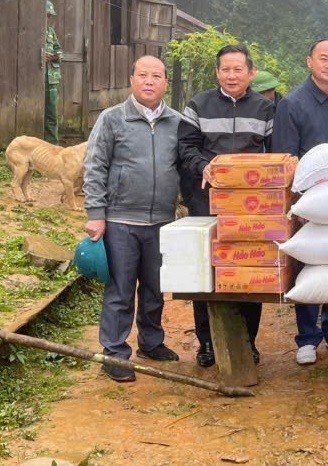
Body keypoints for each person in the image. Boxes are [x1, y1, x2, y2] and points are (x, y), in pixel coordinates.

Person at [83, 56, 182, 382]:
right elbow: (95, 166)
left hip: (163, 221)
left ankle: (151, 343)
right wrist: (96, 214)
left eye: (156, 76)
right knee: (120, 290)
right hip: (121, 221)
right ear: (132, 79)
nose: (149, 81)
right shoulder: (112, 118)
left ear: (166, 82)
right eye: (143, 75)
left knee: (155, 289)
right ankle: (114, 353)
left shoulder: (177, 122)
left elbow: (184, 166)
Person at [178, 44, 273, 368]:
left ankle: (248, 341)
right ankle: (207, 342)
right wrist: (203, 166)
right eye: (225, 70)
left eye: (238, 69)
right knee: (207, 268)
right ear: (217, 72)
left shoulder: (264, 108)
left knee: (249, 267)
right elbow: (185, 147)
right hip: (206, 197)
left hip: (249, 203)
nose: (232, 76)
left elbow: (275, 152)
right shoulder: (198, 105)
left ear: (251, 73)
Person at [272, 39, 328, 365]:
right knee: (309, 263)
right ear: (309, 61)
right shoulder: (292, 104)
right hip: (308, 201)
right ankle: (308, 337)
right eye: (323, 58)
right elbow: (285, 156)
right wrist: (296, 202)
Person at [44, 0, 62, 144]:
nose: (48, 18)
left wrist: (54, 57)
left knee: (52, 114)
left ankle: (52, 144)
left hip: (51, 80)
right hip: (36, 79)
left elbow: (60, 51)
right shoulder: (31, 31)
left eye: (50, 15)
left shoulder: (50, 32)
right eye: (46, 14)